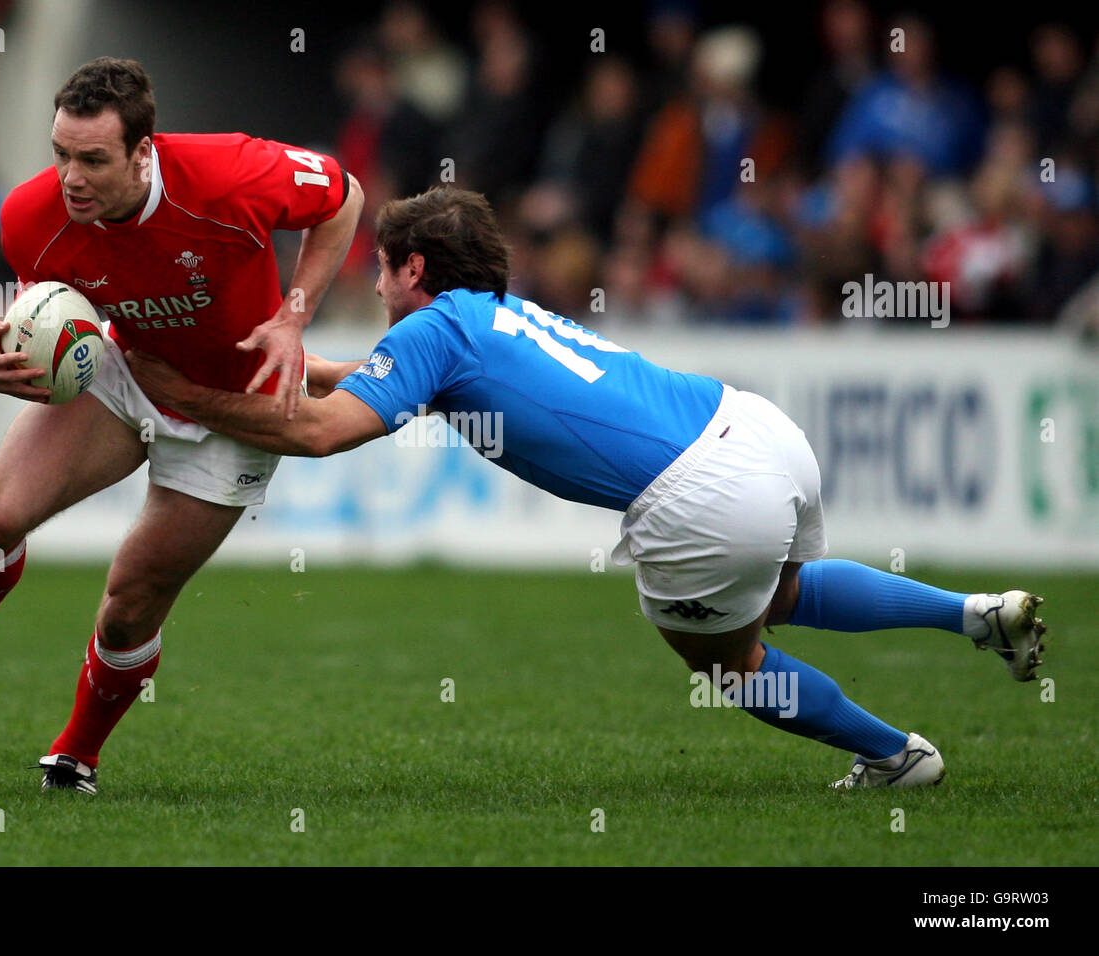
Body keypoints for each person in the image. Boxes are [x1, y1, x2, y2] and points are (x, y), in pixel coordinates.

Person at [123, 186, 1047, 789]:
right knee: (788, 591)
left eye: (379, 264)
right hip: (755, 429)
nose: (372, 277)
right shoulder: (490, 316)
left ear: (415, 270)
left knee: (728, 665)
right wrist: (291, 366)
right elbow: (370, 375)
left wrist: (186, 398)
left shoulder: (432, 332)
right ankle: (974, 613)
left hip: (698, 498)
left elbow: (324, 437)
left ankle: (896, 757)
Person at [0, 57, 364, 794]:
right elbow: (45, 314)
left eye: (92, 159)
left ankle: (75, 756)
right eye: (59, 154)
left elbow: (345, 195)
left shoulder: (232, 174)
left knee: (128, 607)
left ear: (143, 152)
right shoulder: (29, 216)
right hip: (126, 372)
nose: (70, 177)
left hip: (232, 409)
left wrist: (293, 316)